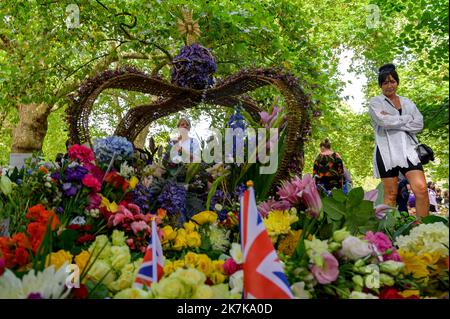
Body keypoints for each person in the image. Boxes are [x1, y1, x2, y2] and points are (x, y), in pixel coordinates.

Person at [368, 63, 429, 219]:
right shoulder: (376, 102)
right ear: (380, 85)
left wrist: (393, 119)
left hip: (409, 150)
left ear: (397, 82)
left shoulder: (407, 102)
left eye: (392, 81)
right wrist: (407, 119)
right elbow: (383, 122)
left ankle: (422, 229)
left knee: (421, 189)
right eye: (385, 82)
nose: (389, 86)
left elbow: (419, 124)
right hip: (386, 152)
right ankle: (390, 233)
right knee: (390, 194)